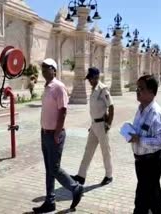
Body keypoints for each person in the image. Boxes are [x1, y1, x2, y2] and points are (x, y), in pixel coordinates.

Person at [33, 58, 83, 213]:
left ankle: (75, 188)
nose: (43, 70)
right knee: (49, 169)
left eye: (47, 67)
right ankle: (50, 202)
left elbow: (63, 111)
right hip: (45, 133)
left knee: (54, 168)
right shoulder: (47, 87)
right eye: (42, 67)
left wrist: (56, 133)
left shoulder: (59, 87)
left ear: (54, 70)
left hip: (55, 134)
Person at [129, 75, 161, 214]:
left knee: (144, 200)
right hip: (140, 161)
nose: (137, 91)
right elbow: (139, 132)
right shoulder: (140, 109)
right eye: (137, 88)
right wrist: (131, 135)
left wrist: (139, 140)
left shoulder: (156, 114)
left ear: (151, 92)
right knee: (151, 198)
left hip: (151, 162)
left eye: (141, 88)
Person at [72, 67, 114, 186]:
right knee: (88, 150)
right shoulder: (94, 89)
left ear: (96, 77)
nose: (89, 81)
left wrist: (108, 124)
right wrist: (92, 124)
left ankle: (109, 175)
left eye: (90, 78)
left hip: (102, 125)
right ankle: (81, 176)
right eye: (88, 79)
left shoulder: (102, 89)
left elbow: (111, 107)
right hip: (94, 125)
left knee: (105, 151)